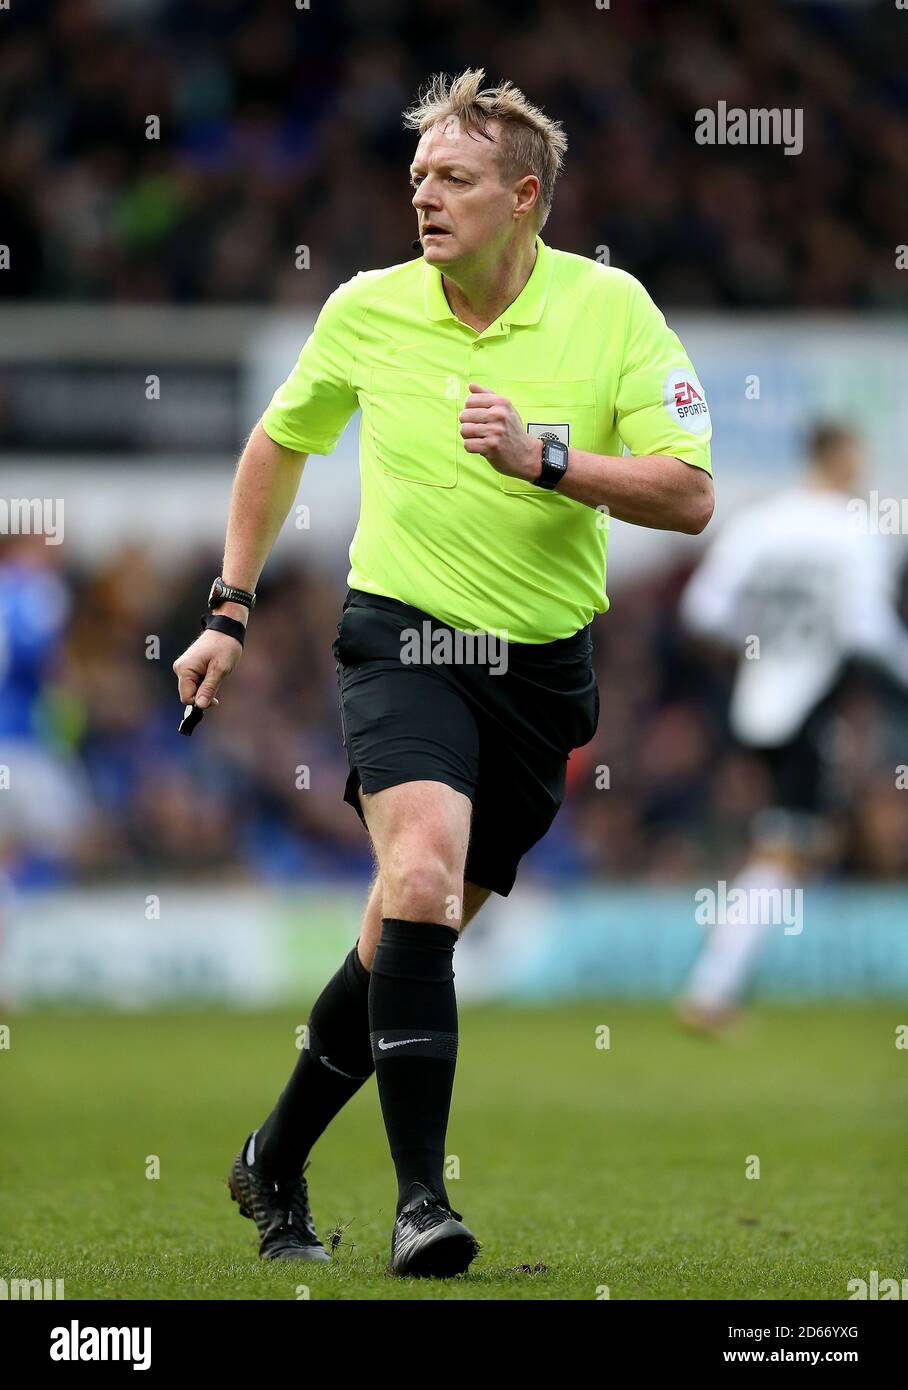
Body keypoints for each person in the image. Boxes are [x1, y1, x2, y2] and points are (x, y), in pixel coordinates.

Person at [172, 68, 714, 1277]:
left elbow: (687, 494)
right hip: (401, 639)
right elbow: (278, 442)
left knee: (397, 938)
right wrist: (228, 609)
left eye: (454, 179)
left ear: (523, 197)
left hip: (541, 678)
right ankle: (423, 1201)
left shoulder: (611, 309)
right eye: (417, 176)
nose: (424, 196)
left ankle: (271, 1153)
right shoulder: (366, 310)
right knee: (417, 877)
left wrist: (545, 458)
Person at [677, 424, 908, 1034]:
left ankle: (718, 974)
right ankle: (711, 989)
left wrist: (760, 647)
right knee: (791, 847)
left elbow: (703, 610)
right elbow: (865, 630)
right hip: (812, 703)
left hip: (758, 701)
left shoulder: (760, 524)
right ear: (841, 457)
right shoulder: (855, 530)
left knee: (797, 842)